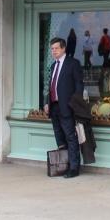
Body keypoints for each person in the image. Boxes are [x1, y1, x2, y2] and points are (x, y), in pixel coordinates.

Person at [43, 36, 84, 178]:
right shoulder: (53, 65)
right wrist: (47, 102)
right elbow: (51, 86)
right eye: (52, 49)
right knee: (60, 138)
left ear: (63, 48)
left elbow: (79, 85)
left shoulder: (73, 63)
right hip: (54, 107)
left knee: (71, 137)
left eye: (56, 48)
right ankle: (64, 165)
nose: (53, 51)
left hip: (67, 107)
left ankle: (74, 168)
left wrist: (74, 104)